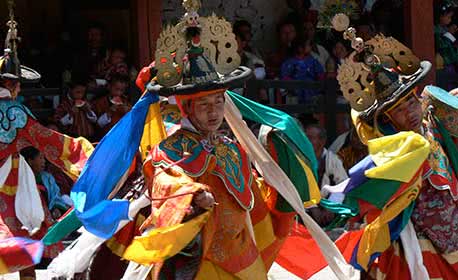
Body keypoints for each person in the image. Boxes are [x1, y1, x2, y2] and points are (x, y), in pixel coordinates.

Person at [329, 14, 458, 279]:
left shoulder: (435, 125)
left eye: (411, 102)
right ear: (386, 119)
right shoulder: (392, 153)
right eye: (399, 111)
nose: (410, 113)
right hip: (419, 245)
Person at [0, 14, 93, 278]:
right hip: (9, 183)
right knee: (22, 239)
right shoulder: (16, 114)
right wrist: (86, 156)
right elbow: (50, 142)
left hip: (10, 177)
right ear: (14, 86)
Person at [20, 147, 72, 220]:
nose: (44, 161)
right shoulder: (21, 182)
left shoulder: (47, 177)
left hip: (51, 214)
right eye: (40, 158)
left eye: (44, 158)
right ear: (30, 161)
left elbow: (55, 194)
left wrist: (56, 208)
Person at [280, 38, 324, 103]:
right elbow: (285, 76)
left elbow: (320, 75)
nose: (310, 47)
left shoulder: (313, 61)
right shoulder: (289, 62)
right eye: (308, 45)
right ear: (300, 48)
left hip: (312, 90)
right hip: (295, 91)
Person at [93, 74, 131, 138]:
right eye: (116, 89)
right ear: (109, 87)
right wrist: (109, 112)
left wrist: (128, 112)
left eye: (121, 90)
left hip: (122, 135)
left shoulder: (126, 102)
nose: (119, 93)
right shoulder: (100, 102)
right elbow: (98, 124)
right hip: (105, 137)